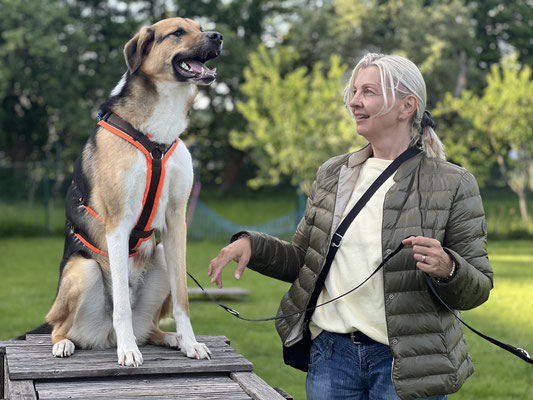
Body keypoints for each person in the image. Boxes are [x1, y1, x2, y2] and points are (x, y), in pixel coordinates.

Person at [208, 53, 493, 400]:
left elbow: (478, 287)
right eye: (355, 91)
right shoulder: (333, 173)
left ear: (406, 107)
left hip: (408, 364)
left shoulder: (453, 183)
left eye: (368, 92)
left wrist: (448, 268)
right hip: (331, 357)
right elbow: (305, 261)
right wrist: (253, 245)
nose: (354, 101)